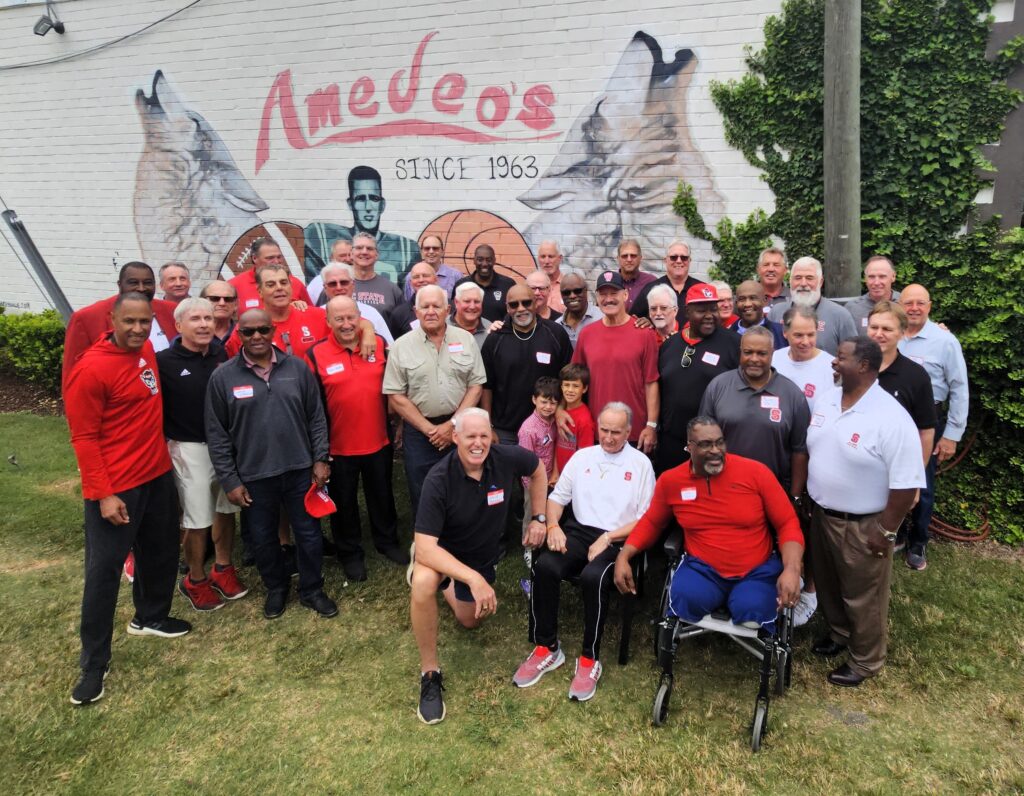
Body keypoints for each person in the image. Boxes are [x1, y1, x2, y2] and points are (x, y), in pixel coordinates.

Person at [65, 293, 191, 706]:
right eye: (129, 322)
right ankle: (93, 664)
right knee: (104, 572)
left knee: (161, 552)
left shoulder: (146, 353)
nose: (138, 329)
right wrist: (103, 494)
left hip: (156, 474)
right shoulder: (91, 369)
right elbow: (84, 438)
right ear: (112, 320)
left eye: (144, 322)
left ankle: (151, 616)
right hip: (117, 486)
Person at [410, 407, 549, 724]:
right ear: (455, 437)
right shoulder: (438, 479)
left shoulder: (506, 458)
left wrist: (539, 517)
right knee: (422, 582)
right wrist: (473, 579)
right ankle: (429, 674)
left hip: (480, 556)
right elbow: (427, 547)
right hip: (442, 552)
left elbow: (538, 469)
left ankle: (448, 584)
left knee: (470, 620)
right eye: (470, 436)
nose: (478, 443)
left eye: (484, 435)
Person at [514, 403, 655, 701]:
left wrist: (609, 537)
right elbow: (557, 499)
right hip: (579, 531)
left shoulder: (641, 464)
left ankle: (589, 658)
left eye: (616, 432)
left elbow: (647, 518)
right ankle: (547, 647)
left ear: (628, 432)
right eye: (604, 430)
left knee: (594, 577)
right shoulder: (583, 457)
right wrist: (553, 525)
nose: (609, 437)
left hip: (618, 537)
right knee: (545, 567)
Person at [613, 417, 803, 636]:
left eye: (720, 442)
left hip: (756, 570)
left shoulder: (755, 472)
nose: (715, 450)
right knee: (686, 598)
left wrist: (792, 569)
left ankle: (741, 601)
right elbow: (652, 522)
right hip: (703, 570)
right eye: (706, 444)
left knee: (752, 609)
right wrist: (624, 555)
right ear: (689, 447)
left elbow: (787, 523)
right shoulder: (671, 481)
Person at [807, 337, 925, 687]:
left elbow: (906, 485)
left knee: (864, 595)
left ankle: (866, 659)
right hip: (822, 515)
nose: (833, 362)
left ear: (863, 366)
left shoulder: (891, 417)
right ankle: (840, 633)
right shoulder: (827, 400)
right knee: (829, 584)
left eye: (841, 358)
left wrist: (886, 530)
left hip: (863, 524)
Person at [205, 309, 338, 620]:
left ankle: (312, 589)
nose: (257, 337)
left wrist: (320, 459)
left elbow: (316, 417)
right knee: (263, 538)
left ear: (273, 331)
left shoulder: (297, 368)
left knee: (309, 534)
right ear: (239, 334)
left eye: (263, 330)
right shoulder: (222, 377)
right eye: (248, 331)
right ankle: (276, 587)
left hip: (300, 470)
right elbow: (217, 434)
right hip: (254, 475)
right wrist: (230, 480)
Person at [307, 296, 407, 582]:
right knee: (344, 502)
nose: (346, 324)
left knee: (382, 495)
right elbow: (313, 407)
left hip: (379, 440)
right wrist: (320, 452)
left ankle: (387, 541)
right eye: (339, 319)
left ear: (359, 317)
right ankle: (349, 552)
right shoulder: (316, 354)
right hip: (339, 446)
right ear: (328, 322)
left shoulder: (378, 344)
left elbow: (396, 389)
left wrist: (399, 423)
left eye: (351, 317)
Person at [156, 297, 247, 611]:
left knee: (226, 509)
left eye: (208, 318)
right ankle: (194, 579)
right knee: (197, 519)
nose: (204, 324)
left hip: (225, 446)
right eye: (195, 319)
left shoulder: (221, 354)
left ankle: (223, 567)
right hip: (189, 447)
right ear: (179, 325)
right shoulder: (163, 361)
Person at [383, 285, 487, 517]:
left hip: (460, 428)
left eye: (436, 306)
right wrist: (430, 430)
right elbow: (396, 395)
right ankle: (427, 537)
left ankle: (460, 535)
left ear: (447, 310)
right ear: (416, 311)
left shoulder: (466, 340)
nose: (430, 311)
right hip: (419, 432)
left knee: (463, 487)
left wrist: (452, 424)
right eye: (425, 306)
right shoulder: (401, 346)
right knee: (423, 491)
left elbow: (476, 386)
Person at [897, 283, 970, 572]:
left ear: (929, 306)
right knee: (890, 479)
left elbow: (959, 388)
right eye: (908, 303)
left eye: (920, 303)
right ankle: (896, 532)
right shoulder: (891, 335)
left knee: (922, 483)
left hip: (926, 422)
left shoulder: (944, 341)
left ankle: (918, 540)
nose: (914, 308)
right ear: (900, 305)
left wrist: (952, 434)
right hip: (893, 420)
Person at [698, 325, 810, 496]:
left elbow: (800, 451)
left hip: (773, 492)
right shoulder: (718, 386)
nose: (754, 359)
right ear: (740, 352)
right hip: (724, 489)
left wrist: (795, 496)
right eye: (748, 352)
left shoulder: (792, 394)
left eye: (762, 353)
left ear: (772, 353)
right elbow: (702, 440)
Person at [867, 301, 937, 570]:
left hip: (893, 472)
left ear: (902, 333)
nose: (879, 334)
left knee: (881, 538)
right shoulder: (855, 368)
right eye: (874, 327)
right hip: (858, 468)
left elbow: (926, 431)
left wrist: (915, 481)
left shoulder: (915, 376)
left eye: (887, 329)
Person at [655, 283, 740, 473]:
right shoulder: (670, 345)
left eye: (713, 309)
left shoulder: (733, 344)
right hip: (672, 441)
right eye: (702, 310)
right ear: (687, 312)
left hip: (713, 445)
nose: (709, 315)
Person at [571, 271, 659, 449]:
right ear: (597, 298)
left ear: (625, 295)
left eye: (614, 293)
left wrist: (651, 425)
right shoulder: (587, 334)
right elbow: (574, 380)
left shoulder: (645, 334)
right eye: (603, 294)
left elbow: (651, 382)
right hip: (597, 430)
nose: (608, 299)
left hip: (634, 431)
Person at [62, 261, 178, 389]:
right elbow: (72, 374)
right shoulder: (86, 318)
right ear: (120, 285)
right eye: (133, 282)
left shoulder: (172, 310)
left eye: (147, 282)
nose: (141, 288)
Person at [480, 284, 572, 445]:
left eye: (526, 303)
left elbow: (567, 378)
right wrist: (488, 425)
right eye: (514, 305)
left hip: (547, 427)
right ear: (507, 308)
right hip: (505, 432)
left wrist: (560, 409)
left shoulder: (556, 333)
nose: (521, 309)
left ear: (535, 303)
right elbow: (486, 385)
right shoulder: (495, 338)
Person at [304, 164, 420, 283]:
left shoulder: (405, 249)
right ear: (350, 204)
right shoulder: (320, 236)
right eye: (361, 199)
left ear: (382, 205)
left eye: (374, 199)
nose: (368, 207)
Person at [225, 262, 330, 360]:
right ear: (260, 291)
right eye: (271, 285)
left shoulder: (320, 317)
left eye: (284, 283)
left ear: (291, 287)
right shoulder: (246, 328)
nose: (279, 288)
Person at [768, 256, 857, 355]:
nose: (803, 283)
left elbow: (852, 357)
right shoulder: (776, 312)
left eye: (809, 278)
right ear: (790, 281)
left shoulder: (840, 316)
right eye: (798, 278)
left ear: (821, 282)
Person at [516, 377, 562, 532]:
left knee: (549, 513)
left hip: (551, 478)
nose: (548, 407)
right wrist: (531, 489)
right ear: (534, 399)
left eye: (553, 403)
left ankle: (546, 539)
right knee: (532, 515)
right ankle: (528, 542)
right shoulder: (528, 429)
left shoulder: (554, 421)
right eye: (544, 402)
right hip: (534, 482)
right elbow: (525, 463)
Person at [772, 305, 835, 412]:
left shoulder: (831, 367)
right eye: (798, 335)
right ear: (785, 333)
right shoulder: (775, 359)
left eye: (810, 335)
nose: (805, 342)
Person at [317, 262, 394, 346]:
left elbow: (389, 347)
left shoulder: (372, 313)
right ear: (325, 288)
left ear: (353, 285)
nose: (339, 287)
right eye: (332, 284)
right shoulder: (316, 314)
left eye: (344, 282)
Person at [630, 241, 706, 325]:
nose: (679, 261)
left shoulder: (702, 289)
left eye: (684, 257)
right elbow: (632, 319)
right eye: (674, 257)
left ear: (689, 261)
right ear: (665, 260)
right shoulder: (651, 289)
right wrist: (648, 322)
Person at [229, 237, 312, 312]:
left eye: (279, 257)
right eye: (270, 258)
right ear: (254, 258)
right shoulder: (234, 285)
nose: (276, 261)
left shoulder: (296, 283)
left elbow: (311, 313)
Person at [454, 244, 517, 323]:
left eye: (489, 260)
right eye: (480, 260)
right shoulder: (462, 284)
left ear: (494, 261)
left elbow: (515, 312)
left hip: (500, 330)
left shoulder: (508, 285)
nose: (484, 264)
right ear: (474, 260)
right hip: (467, 330)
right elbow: (454, 313)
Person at [351, 232, 405, 324]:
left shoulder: (392, 289)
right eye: (359, 248)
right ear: (351, 253)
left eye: (369, 248)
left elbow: (402, 324)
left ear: (376, 255)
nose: (364, 252)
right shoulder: (337, 286)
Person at [554, 363, 596, 475]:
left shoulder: (585, 420)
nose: (570, 390)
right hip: (557, 473)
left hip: (573, 476)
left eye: (576, 386)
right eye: (566, 385)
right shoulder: (558, 411)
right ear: (561, 387)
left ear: (584, 388)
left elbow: (585, 456)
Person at [846, 255, 901, 330]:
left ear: (893, 276)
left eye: (882, 276)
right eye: (871, 277)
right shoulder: (852, 309)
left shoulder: (904, 304)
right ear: (865, 278)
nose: (876, 282)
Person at [402, 235, 464, 301]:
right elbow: (408, 303)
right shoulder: (411, 277)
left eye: (435, 248)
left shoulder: (455, 276)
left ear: (442, 252)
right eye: (427, 248)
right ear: (422, 252)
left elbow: (460, 302)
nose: (431, 251)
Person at [728, 280, 786, 349]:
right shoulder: (727, 336)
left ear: (764, 301)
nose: (747, 304)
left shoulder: (781, 333)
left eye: (753, 298)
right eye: (742, 299)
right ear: (736, 303)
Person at [389, 262, 438, 338]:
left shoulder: (450, 308)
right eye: (416, 277)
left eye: (425, 276)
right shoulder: (399, 314)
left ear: (436, 279)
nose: (421, 280)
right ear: (410, 283)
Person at [553, 273, 601, 348]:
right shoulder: (557, 326)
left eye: (577, 291)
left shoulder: (602, 318)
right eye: (566, 293)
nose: (572, 296)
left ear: (586, 291)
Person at [307, 239, 353, 306]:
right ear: (332, 258)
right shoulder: (318, 282)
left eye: (350, 255)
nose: (348, 259)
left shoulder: (364, 279)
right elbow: (309, 306)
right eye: (343, 255)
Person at [449, 281, 493, 348]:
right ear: (456, 302)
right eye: (467, 301)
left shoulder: (490, 329)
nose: (472, 306)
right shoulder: (442, 326)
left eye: (477, 302)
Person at [617, 239, 657, 312]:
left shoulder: (652, 282)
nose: (629, 259)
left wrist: (648, 318)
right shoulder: (611, 282)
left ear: (640, 258)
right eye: (624, 256)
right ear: (618, 259)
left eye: (633, 256)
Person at [756, 247, 790, 313]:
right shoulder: (745, 298)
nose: (771, 269)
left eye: (776, 265)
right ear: (758, 269)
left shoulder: (794, 299)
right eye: (766, 265)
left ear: (785, 270)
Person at [536, 240, 566, 313]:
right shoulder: (531, 288)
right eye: (543, 257)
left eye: (551, 256)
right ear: (538, 259)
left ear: (560, 258)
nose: (546, 261)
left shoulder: (569, 286)